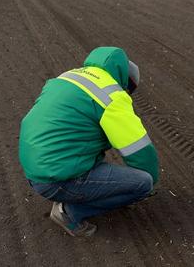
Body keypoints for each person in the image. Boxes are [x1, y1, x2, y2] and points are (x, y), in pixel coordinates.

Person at [19, 47, 159, 237]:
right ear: (125, 80)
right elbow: (139, 150)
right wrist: (148, 184)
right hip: (56, 178)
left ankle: (74, 193)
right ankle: (69, 213)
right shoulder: (112, 95)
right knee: (143, 182)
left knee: (92, 150)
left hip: (35, 168)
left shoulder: (69, 77)